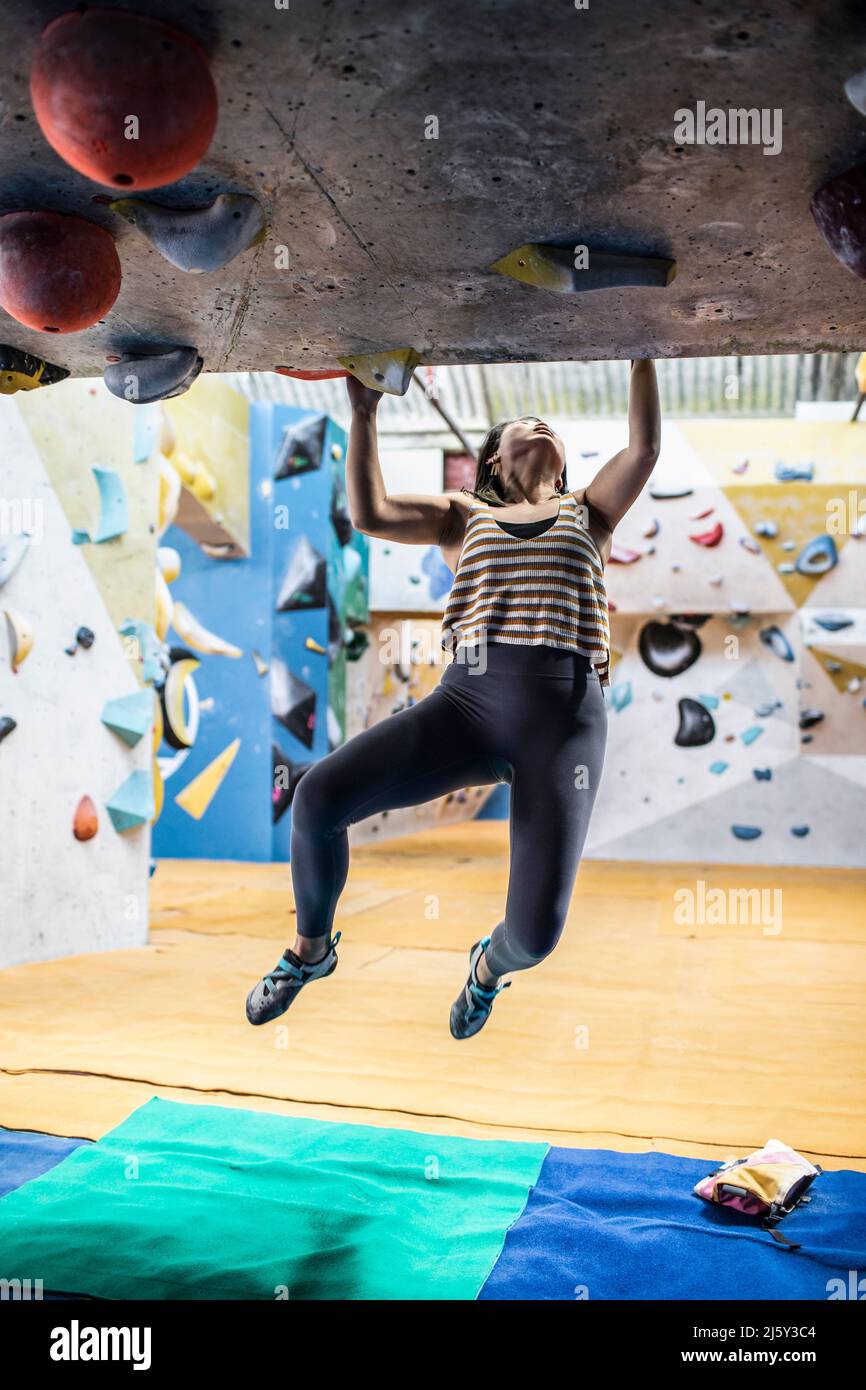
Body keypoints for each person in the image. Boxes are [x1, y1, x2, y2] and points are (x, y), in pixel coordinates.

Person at [246, 360, 660, 1039]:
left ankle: (487, 971)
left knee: (534, 937)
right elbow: (370, 513)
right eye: (527, 425)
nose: (542, 426)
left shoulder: (590, 512)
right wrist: (364, 413)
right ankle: (309, 952)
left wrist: (646, 349)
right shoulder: (464, 516)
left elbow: (643, 448)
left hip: (564, 727)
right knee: (319, 798)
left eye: (550, 427)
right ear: (490, 461)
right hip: (466, 707)